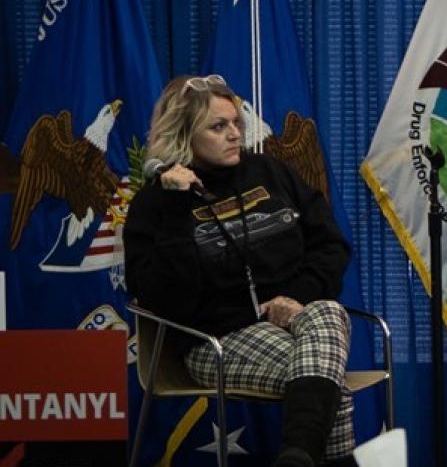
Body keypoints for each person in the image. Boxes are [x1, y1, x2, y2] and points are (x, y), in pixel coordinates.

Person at [125, 74, 355, 467]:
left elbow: (330, 245)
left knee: (329, 312)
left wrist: (294, 296)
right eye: (218, 127)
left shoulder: (271, 173)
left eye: (236, 124)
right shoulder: (154, 206)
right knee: (328, 389)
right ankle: (298, 458)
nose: (234, 134)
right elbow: (166, 299)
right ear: (184, 134)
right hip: (213, 339)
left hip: (293, 318)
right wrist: (179, 207)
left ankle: (295, 458)